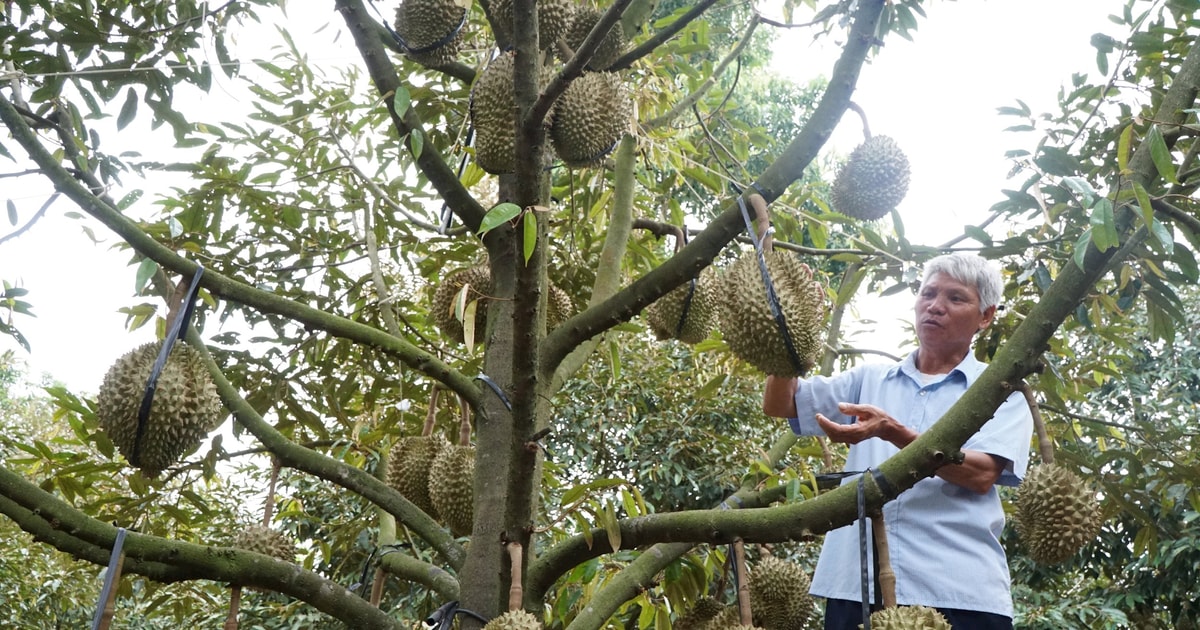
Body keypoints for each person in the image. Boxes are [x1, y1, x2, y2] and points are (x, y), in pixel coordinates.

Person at [762, 252, 1033, 630]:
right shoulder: (870, 379)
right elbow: (780, 404)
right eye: (928, 294)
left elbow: (981, 474)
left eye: (955, 298)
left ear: (985, 316)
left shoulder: (1000, 392)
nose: (935, 307)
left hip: (958, 590)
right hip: (856, 585)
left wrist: (892, 431)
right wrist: (787, 324)